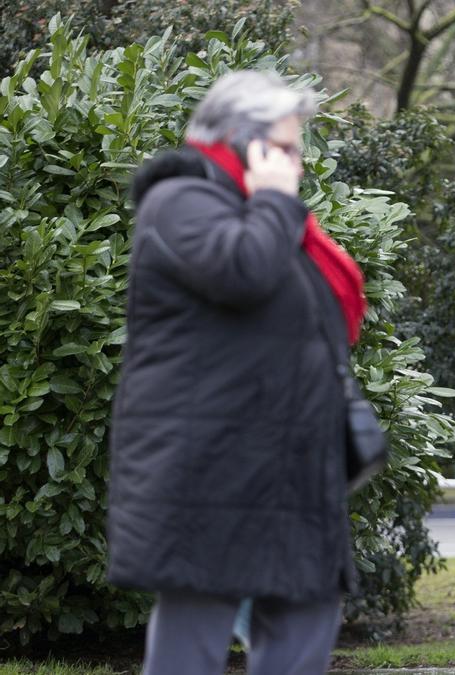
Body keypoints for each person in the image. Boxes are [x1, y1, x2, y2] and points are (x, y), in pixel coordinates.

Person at [107, 70, 367, 675]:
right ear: (245, 142)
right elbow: (241, 273)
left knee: (307, 623)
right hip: (211, 474)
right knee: (191, 645)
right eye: (287, 148)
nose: (298, 164)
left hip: (287, 469)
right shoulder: (180, 201)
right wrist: (277, 199)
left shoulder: (264, 217)